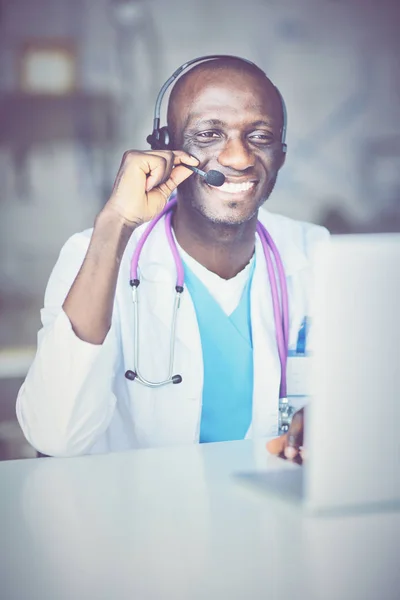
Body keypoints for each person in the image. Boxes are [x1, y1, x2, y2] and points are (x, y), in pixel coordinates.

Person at [16, 56, 329, 458]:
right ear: (167, 149)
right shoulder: (96, 254)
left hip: (266, 512)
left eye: (260, 135)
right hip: (136, 515)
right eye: (209, 134)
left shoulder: (317, 254)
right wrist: (114, 224)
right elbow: (54, 436)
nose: (238, 158)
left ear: (280, 155)